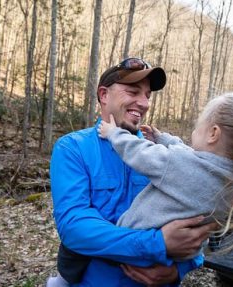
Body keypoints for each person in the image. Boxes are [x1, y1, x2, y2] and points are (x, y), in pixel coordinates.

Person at [48, 58, 217, 287]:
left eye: (147, 95)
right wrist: (158, 244)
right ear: (104, 95)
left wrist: (180, 268)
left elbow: (200, 214)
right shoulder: (73, 147)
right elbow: (75, 227)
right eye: (133, 91)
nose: (144, 103)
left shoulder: (163, 155)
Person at [98, 93, 233, 268]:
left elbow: (141, 152)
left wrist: (114, 133)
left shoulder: (179, 165)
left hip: (136, 244)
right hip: (172, 260)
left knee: (79, 257)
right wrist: (165, 139)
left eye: (199, 123)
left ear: (213, 133)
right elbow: (193, 158)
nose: (194, 129)